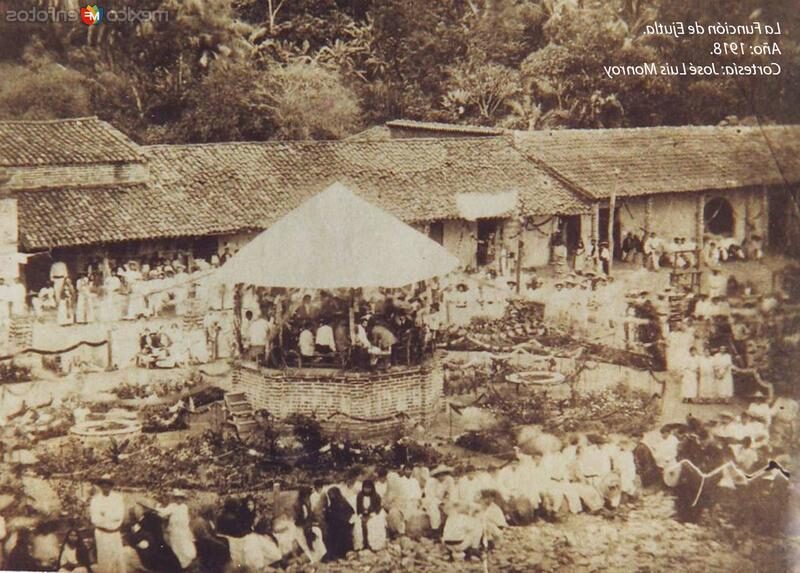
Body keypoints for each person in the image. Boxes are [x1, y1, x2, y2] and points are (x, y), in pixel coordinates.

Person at [89, 475, 127, 573]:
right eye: (103, 484)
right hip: (102, 534)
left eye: (108, 484)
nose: (105, 486)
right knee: (105, 560)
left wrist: (105, 514)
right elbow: (95, 519)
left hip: (115, 533)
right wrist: (110, 517)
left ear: (111, 486)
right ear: (100, 486)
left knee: (118, 559)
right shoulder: (95, 500)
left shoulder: (117, 498)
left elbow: (119, 516)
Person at [158, 489, 197, 570]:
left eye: (181, 498)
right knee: (176, 547)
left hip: (183, 530)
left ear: (183, 499)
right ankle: (180, 564)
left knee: (185, 545)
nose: (179, 500)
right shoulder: (172, 506)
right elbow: (163, 513)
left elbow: (186, 520)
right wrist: (158, 508)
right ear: (175, 499)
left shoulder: (184, 507)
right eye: (177, 498)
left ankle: (187, 562)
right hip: (175, 530)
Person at [354, 480, 387, 552]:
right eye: (365, 488)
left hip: (374, 515)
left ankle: (372, 545)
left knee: (372, 524)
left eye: (369, 488)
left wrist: (370, 515)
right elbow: (358, 507)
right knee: (358, 524)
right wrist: (362, 514)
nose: (367, 490)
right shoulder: (360, 495)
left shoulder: (376, 496)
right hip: (362, 514)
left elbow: (378, 508)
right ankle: (361, 545)